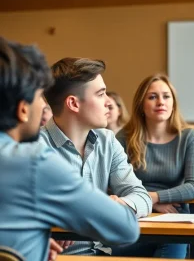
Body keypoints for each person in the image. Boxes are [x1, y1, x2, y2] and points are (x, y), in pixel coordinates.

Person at [0, 38, 140, 261]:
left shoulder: (106, 141)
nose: (44, 106)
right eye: (39, 97)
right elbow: (126, 228)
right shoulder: (34, 160)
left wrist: (33, 240)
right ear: (22, 109)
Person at [39, 57, 152, 256]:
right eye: (100, 94)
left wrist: (116, 205)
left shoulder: (107, 140)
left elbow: (142, 196)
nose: (109, 102)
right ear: (73, 103)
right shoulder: (34, 148)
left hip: (105, 251)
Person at [113, 73, 194, 259]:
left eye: (166, 96)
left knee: (173, 244)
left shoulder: (188, 137)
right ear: (141, 104)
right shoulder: (124, 137)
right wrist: (151, 204)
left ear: (173, 103)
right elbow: (113, 185)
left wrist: (152, 197)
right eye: (152, 96)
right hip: (134, 216)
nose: (160, 102)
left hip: (175, 218)